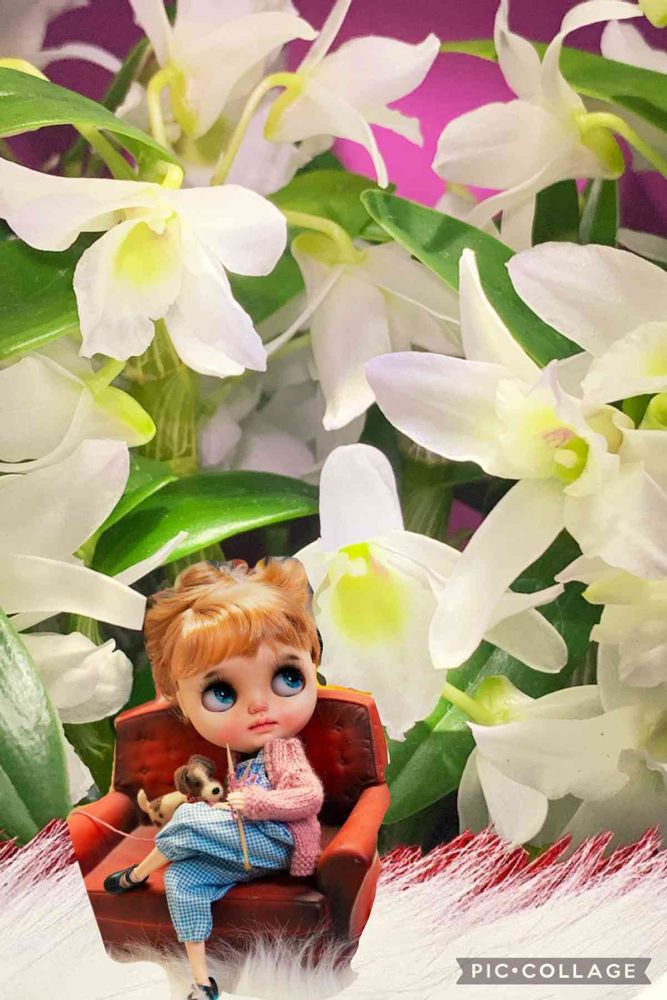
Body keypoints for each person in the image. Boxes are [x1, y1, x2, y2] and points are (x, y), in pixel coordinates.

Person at [103, 557, 325, 1000]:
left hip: (279, 844)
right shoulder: (234, 760)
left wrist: (256, 804)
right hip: (245, 848)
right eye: (222, 693)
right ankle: (203, 981)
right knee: (182, 879)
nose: (259, 706)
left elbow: (309, 796)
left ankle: (136, 875)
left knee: (186, 821)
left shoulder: (282, 750)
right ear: (180, 702)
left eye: (286, 678)